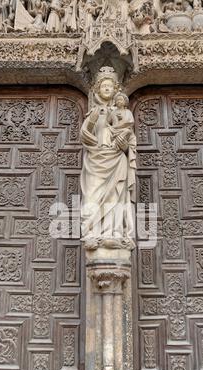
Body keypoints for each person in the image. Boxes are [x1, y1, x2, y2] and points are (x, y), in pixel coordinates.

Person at [80, 67, 136, 248]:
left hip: (116, 158)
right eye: (103, 85)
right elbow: (84, 135)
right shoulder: (94, 112)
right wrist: (92, 120)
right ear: (97, 89)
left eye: (110, 86)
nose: (106, 88)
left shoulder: (122, 114)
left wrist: (125, 145)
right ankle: (91, 232)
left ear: (115, 90)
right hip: (96, 160)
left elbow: (130, 139)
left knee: (115, 195)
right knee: (92, 195)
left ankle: (115, 233)